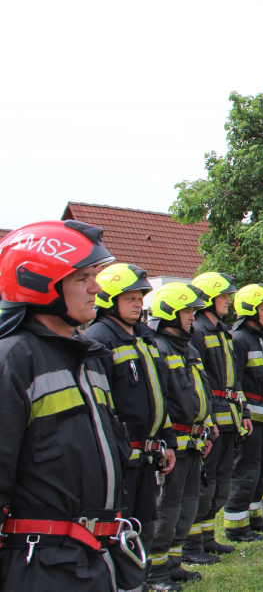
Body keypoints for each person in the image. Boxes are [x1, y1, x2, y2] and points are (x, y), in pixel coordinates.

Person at [0, 221, 146, 592]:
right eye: (83, 278)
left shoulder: (89, 357)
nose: (97, 287)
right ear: (38, 284)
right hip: (43, 567)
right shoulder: (15, 359)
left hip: (94, 560)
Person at [84, 263, 177, 565]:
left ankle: (141, 581)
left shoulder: (144, 336)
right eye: (130, 298)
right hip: (121, 459)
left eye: (139, 298)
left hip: (147, 455)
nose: (138, 304)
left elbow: (158, 395)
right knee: (118, 530)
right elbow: (100, 406)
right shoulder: (98, 339)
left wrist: (168, 441)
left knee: (144, 526)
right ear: (109, 300)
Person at [147, 283, 215, 590]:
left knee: (185, 508)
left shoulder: (187, 348)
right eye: (187, 311)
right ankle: (155, 572)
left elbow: (201, 391)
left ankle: (173, 564)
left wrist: (208, 425)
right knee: (168, 509)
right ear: (169, 314)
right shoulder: (159, 347)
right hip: (175, 443)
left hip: (194, 442)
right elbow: (161, 399)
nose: (192, 317)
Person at [183, 272, 254, 558]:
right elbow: (197, 382)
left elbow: (235, 378)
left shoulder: (221, 331)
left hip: (229, 418)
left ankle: (208, 537)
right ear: (209, 299)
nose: (229, 300)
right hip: (211, 420)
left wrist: (244, 411)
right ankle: (191, 545)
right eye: (224, 295)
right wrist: (206, 421)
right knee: (205, 482)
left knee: (220, 483)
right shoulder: (197, 331)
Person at [223, 284, 263, 542]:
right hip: (249, 419)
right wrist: (243, 415)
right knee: (246, 470)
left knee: (262, 470)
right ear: (249, 309)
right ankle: (236, 526)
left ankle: (253, 517)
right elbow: (234, 383)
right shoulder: (239, 340)